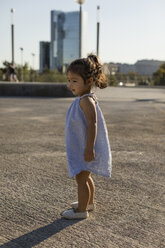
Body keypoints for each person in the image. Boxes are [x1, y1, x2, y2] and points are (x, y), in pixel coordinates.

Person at [61, 54, 112, 220]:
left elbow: (93, 124)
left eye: (74, 81)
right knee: (85, 176)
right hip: (83, 145)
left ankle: (81, 210)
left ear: (89, 81)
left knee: (81, 179)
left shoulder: (86, 100)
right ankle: (88, 203)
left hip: (85, 147)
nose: (70, 84)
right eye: (69, 80)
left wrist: (89, 147)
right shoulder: (82, 98)